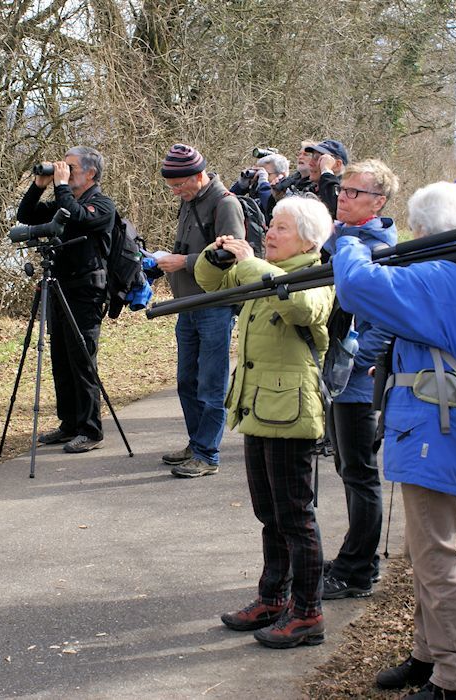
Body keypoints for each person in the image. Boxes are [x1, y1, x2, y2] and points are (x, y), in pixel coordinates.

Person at [332, 181, 456, 699]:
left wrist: (352, 239)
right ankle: (427, 657)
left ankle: (455, 678)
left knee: (437, 558)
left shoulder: (437, 278)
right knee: (424, 551)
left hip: (433, 434)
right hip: (434, 431)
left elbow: (356, 287)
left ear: (424, 229)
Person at [195, 196, 334, 649]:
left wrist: (253, 263)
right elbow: (211, 281)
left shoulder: (316, 275)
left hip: (291, 412)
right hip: (256, 407)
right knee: (269, 514)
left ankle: (308, 612)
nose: (269, 234)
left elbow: (301, 307)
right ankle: (273, 599)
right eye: (270, 226)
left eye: (280, 229)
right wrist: (216, 256)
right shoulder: (263, 270)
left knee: (296, 517)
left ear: (308, 241)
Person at [319, 159, 398, 599]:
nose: (342, 197)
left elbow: (385, 317)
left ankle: (358, 570)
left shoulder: (376, 245)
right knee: (348, 468)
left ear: (378, 202)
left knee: (361, 473)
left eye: (354, 193)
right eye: (342, 190)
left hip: (356, 379)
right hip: (341, 375)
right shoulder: (346, 238)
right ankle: (357, 557)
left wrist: (358, 362)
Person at [17, 146, 116, 453]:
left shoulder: (101, 204)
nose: (65, 171)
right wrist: (39, 186)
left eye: (71, 168)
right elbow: (26, 215)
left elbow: (78, 218)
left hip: (87, 292)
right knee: (60, 358)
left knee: (82, 360)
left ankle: (91, 430)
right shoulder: (65, 200)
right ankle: (69, 423)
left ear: (91, 173)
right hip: (60, 287)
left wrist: (61, 187)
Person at [157, 144, 245, 477]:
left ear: (198, 175)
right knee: (186, 381)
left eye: (180, 185)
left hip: (214, 306)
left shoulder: (225, 203)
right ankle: (196, 444)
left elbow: (235, 252)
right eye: (171, 186)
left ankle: (207, 454)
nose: (176, 192)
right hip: (187, 305)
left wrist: (185, 262)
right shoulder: (189, 200)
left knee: (211, 383)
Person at [230, 152, 290, 222]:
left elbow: (270, 207)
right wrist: (240, 186)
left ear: (282, 175)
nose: (259, 177)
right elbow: (228, 203)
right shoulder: (256, 190)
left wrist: (263, 182)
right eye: (257, 172)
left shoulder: (287, 195)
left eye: (266, 174)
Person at [307, 139, 350, 218]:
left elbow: (335, 206)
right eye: (312, 157)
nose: (310, 163)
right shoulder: (311, 187)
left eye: (318, 158)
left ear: (337, 165)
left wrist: (326, 170)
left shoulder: (348, 192)